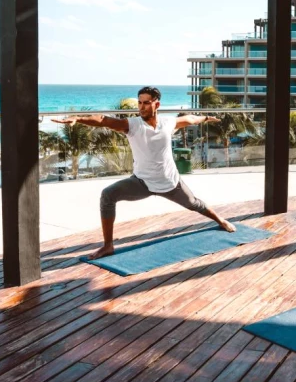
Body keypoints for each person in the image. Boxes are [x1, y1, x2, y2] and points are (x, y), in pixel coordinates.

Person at [52, 86, 235, 260]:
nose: (141, 107)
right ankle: (108, 245)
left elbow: (190, 119)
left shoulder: (168, 122)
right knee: (108, 195)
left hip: (170, 182)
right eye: (139, 102)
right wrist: (78, 118)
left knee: (195, 204)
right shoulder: (132, 125)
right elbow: (104, 120)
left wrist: (206, 118)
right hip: (142, 183)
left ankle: (220, 220)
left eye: (146, 103)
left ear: (157, 104)